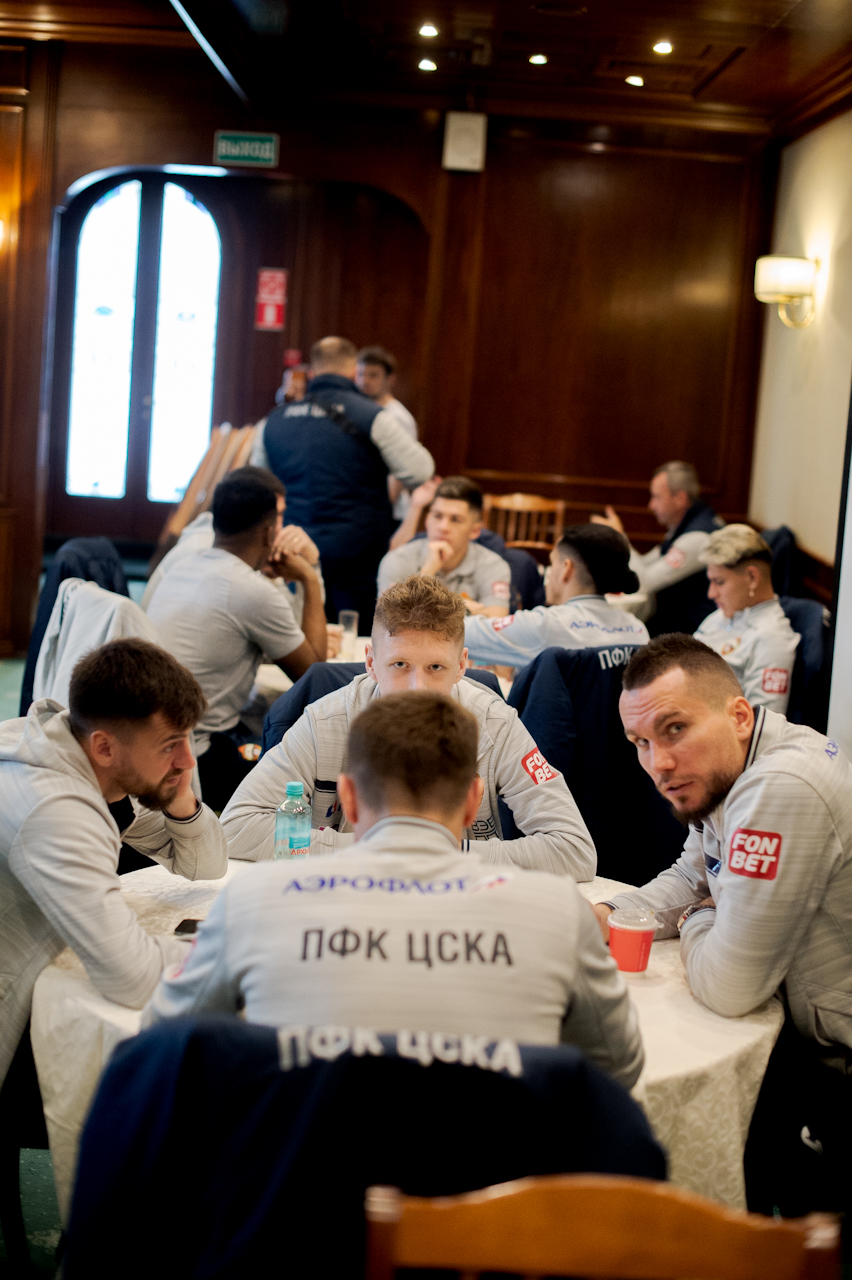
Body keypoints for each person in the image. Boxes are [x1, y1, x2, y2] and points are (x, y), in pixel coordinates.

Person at [147, 690, 641, 1087]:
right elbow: (618, 1069)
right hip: (493, 1180)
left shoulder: (251, 902)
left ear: (348, 798)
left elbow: (162, 1038)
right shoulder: (561, 915)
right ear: (473, 802)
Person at [591, 633, 852, 1228]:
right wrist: (611, 914)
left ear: (738, 716)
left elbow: (730, 987)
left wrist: (700, 917)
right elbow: (693, 873)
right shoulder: (740, 763)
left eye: (674, 729)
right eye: (640, 742)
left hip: (834, 1070)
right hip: (805, 1034)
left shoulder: (780, 787)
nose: (658, 763)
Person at [222, 576, 596, 879]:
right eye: (400, 665)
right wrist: (381, 851)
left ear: (462, 665)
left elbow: (574, 849)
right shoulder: (324, 722)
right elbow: (235, 827)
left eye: (435, 667)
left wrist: (439, 855)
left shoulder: (497, 726)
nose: (418, 689)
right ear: (371, 661)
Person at [0, 637, 227, 1092]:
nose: (187, 759)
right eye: (170, 745)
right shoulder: (56, 809)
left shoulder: (76, 750)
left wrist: (176, 787)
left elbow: (206, 866)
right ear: (104, 747)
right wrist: (246, 954)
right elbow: (132, 977)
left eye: (187, 737)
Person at [147, 470, 328, 810]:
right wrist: (309, 578)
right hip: (198, 760)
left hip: (152, 745)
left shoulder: (184, 566)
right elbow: (315, 676)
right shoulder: (251, 591)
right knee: (307, 774)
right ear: (270, 532)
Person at [251, 335, 435, 625]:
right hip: (357, 554)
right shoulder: (373, 417)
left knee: (300, 631)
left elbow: (258, 483)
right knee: (353, 637)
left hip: (294, 548)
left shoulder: (272, 420)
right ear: (352, 371)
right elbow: (420, 470)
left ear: (312, 372)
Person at [141, 467, 325, 627]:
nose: (277, 527)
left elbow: (289, 629)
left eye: (280, 515)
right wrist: (309, 576)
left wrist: (311, 563)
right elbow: (287, 637)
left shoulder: (246, 551)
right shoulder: (204, 550)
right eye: (272, 516)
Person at [464, 524, 649, 671]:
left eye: (552, 563)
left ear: (567, 568)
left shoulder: (546, 625)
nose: (549, 574)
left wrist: (463, 608)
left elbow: (462, 634)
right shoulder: (638, 630)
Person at [592, 461, 723, 636]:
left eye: (657, 497)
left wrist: (619, 538)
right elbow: (646, 564)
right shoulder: (682, 528)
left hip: (691, 637)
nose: (651, 505)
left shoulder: (697, 538)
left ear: (680, 499)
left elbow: (643, 582)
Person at [694, 525, 800, 715]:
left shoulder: (771, 639)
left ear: (752, 577)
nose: (711, 593)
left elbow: (761, 723)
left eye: (719, 582)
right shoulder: (719, 616)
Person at [378, 477, 511, 617]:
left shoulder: (493, 566)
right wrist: (427, 573)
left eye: (455, 520)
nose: (443, 527)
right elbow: (388, 622)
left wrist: (424, 608)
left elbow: (496, 622)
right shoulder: (397, 560)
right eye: (437, 516)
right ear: (427, 520)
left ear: (475, 531)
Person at [356, 345, 419, 527]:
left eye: (373, 375)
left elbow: (400, 471)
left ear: (390, 379)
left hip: (388, 513)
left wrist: (380, 508)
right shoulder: (359, 412)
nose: (364, 381)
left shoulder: (397, 417)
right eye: (361, 374)